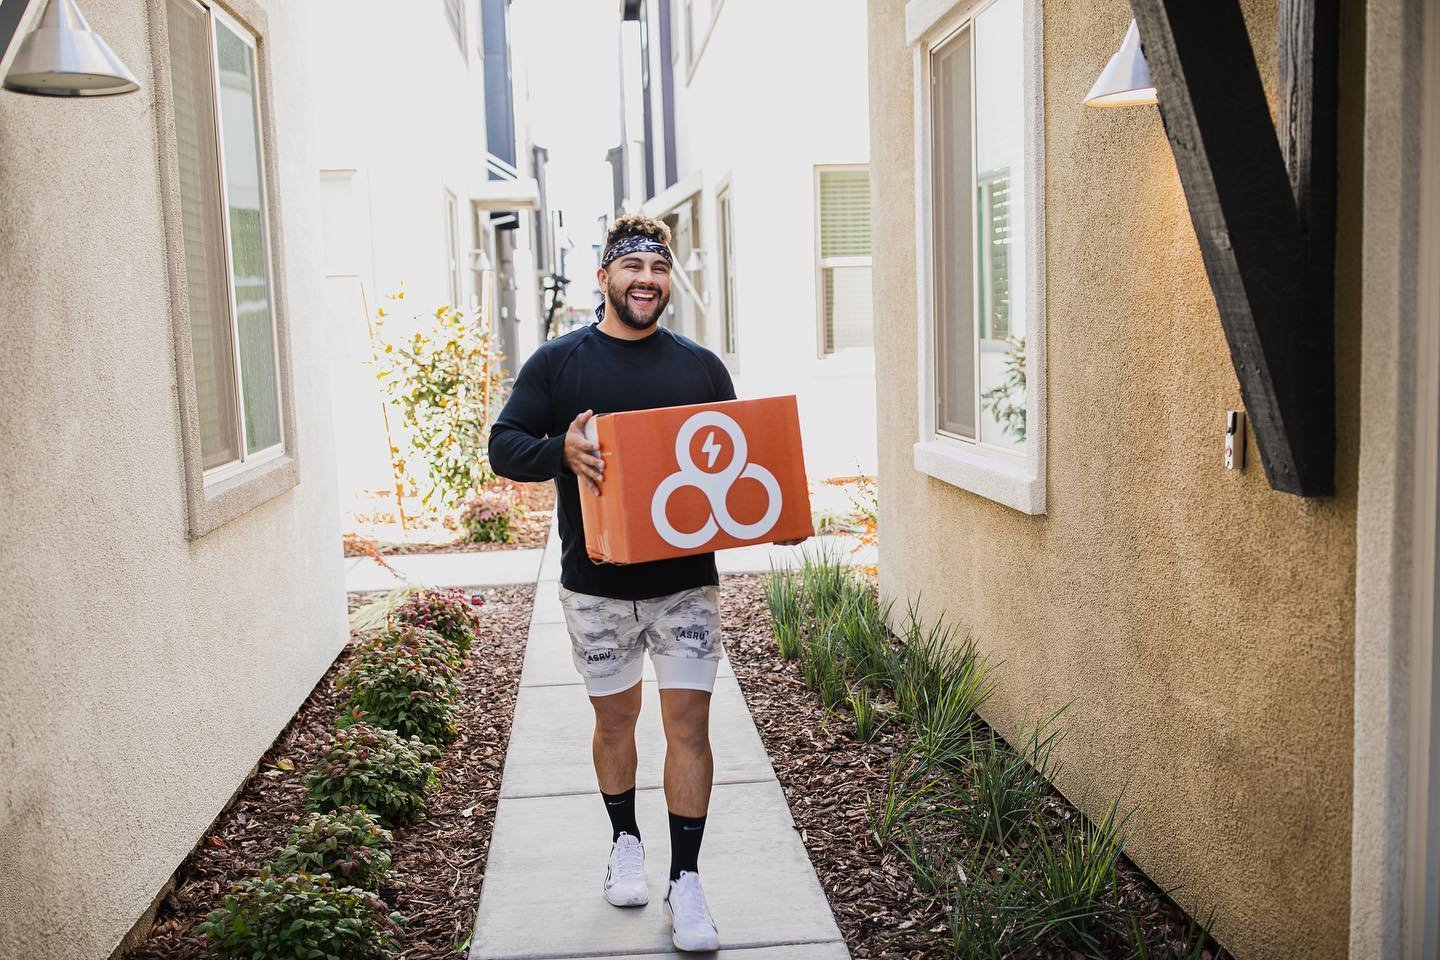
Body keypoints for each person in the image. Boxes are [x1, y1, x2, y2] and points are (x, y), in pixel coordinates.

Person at [489, 213, 801, 951]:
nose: (646, 281)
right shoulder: (558, 364)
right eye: (632, 269)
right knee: (616, 722)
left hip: (687, 584)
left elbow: (736, 468)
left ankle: (686, 882)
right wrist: (557, 451)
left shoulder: (699, 366)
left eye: (658, 270)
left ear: (668, 280)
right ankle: (625, 841)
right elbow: (505, 445)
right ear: (604, 278)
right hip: (594, 585)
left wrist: (777, 512)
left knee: (689, 725)